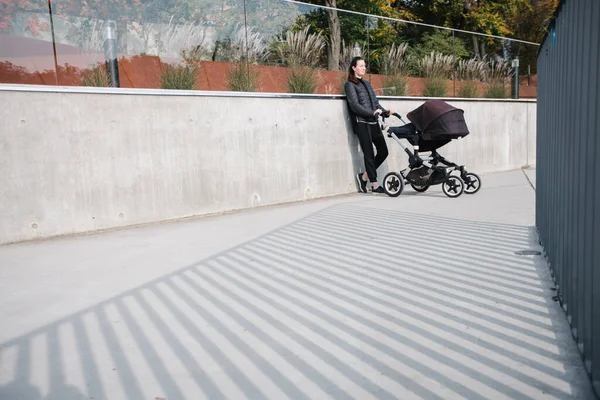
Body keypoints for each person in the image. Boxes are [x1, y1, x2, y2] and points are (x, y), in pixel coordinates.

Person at [344, 56, 391, 194]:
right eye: (361, 66)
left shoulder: (367, 84)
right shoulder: (349, 85)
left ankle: (364, 177)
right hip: (361, 122)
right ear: (354, 68)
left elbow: (375, 103)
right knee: (369, 153)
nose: (364, 68)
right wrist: (372, 112)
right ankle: (374, 185)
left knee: (383, 151)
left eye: (364, 66)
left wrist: (384, 112)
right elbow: (355, 106)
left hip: (372, 121)